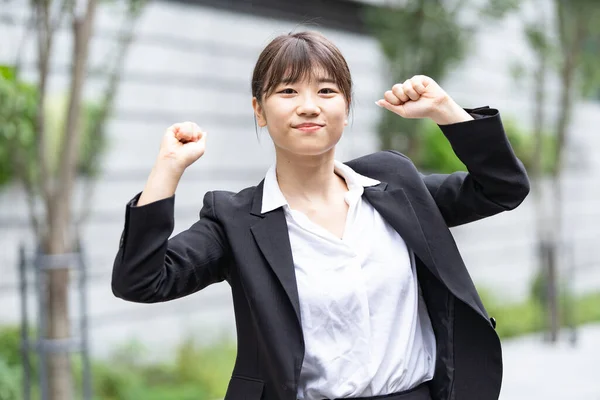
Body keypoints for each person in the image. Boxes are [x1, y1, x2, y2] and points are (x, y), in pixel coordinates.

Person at [111, 31, 529, 400]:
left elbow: (501, 187)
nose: (309, 106)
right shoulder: (236, 221)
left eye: (327, 91)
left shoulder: (395, 185)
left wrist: (445, 111)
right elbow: (142, 281)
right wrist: (167, 167)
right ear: (259, 110)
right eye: (288, 91)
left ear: (346, 110)